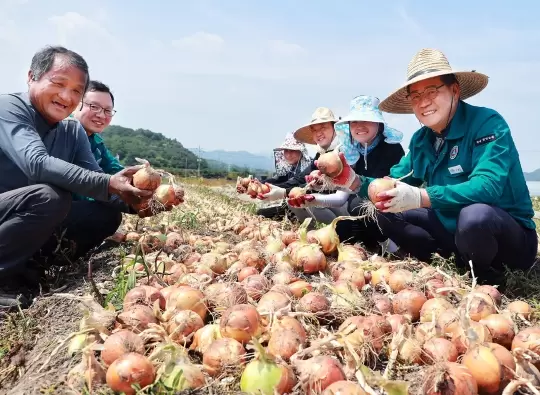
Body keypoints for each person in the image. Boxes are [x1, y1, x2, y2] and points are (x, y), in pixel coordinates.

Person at [315, 48, 538, 284]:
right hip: (452, 231)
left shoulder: (487, 124)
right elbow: (391, 184)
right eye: (416, 96)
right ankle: (447, 258)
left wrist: (420, 196)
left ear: (455, 90)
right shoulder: (422, 140)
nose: (424, 102)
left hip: (506, 237)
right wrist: (352, 179)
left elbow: (487, 187)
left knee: (475, 216)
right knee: (384, 209)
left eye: (432, 91)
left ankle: (486, 277)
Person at [0, 46, 153, 309]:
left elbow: (95, 178)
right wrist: (108, 183)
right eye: (58, 83)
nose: (65, 96)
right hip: (7, 211)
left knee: (105, 215)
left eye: (76, 91)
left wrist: (135, 202)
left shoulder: (72, 131)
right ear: (31, 77)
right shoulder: (10, 108)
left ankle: (30, 267)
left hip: (25, 223)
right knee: (50, 197)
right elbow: (36, 163)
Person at [288, 95, 405, 250]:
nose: (359, 126)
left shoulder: (392, 150)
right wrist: (316, 194)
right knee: (343, 229)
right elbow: (343, 195)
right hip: (355, 213)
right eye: (354, 122)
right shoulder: (351, 152)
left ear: (378, 123)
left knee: (357, 204)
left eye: (366, 120)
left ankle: (391, 248)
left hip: (388, 211)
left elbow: (379, 191)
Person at [257, 107, 350, 226]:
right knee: (294, 201)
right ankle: (312, 233)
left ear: (334, 128)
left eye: (323, 128)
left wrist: (283, 192)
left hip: (345, 207)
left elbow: (329, 189)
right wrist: (267, 187)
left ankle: (341, 233)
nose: (319, 133)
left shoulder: (343, 152)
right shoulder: (320, 154)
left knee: (305, 200)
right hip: (327, 203)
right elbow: (300, 179)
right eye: (315, 130)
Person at [240, 133, 311, 220]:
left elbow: (293, 183)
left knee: (261, 213)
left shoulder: (307, 167)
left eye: (292, 150)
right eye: (286, 151)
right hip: (294, 203)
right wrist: (258, 183)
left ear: (301, 151)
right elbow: (277, 179)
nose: (288, 155)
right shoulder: (292, 168)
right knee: (261, 212)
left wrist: (266, 188)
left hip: (307, 205)